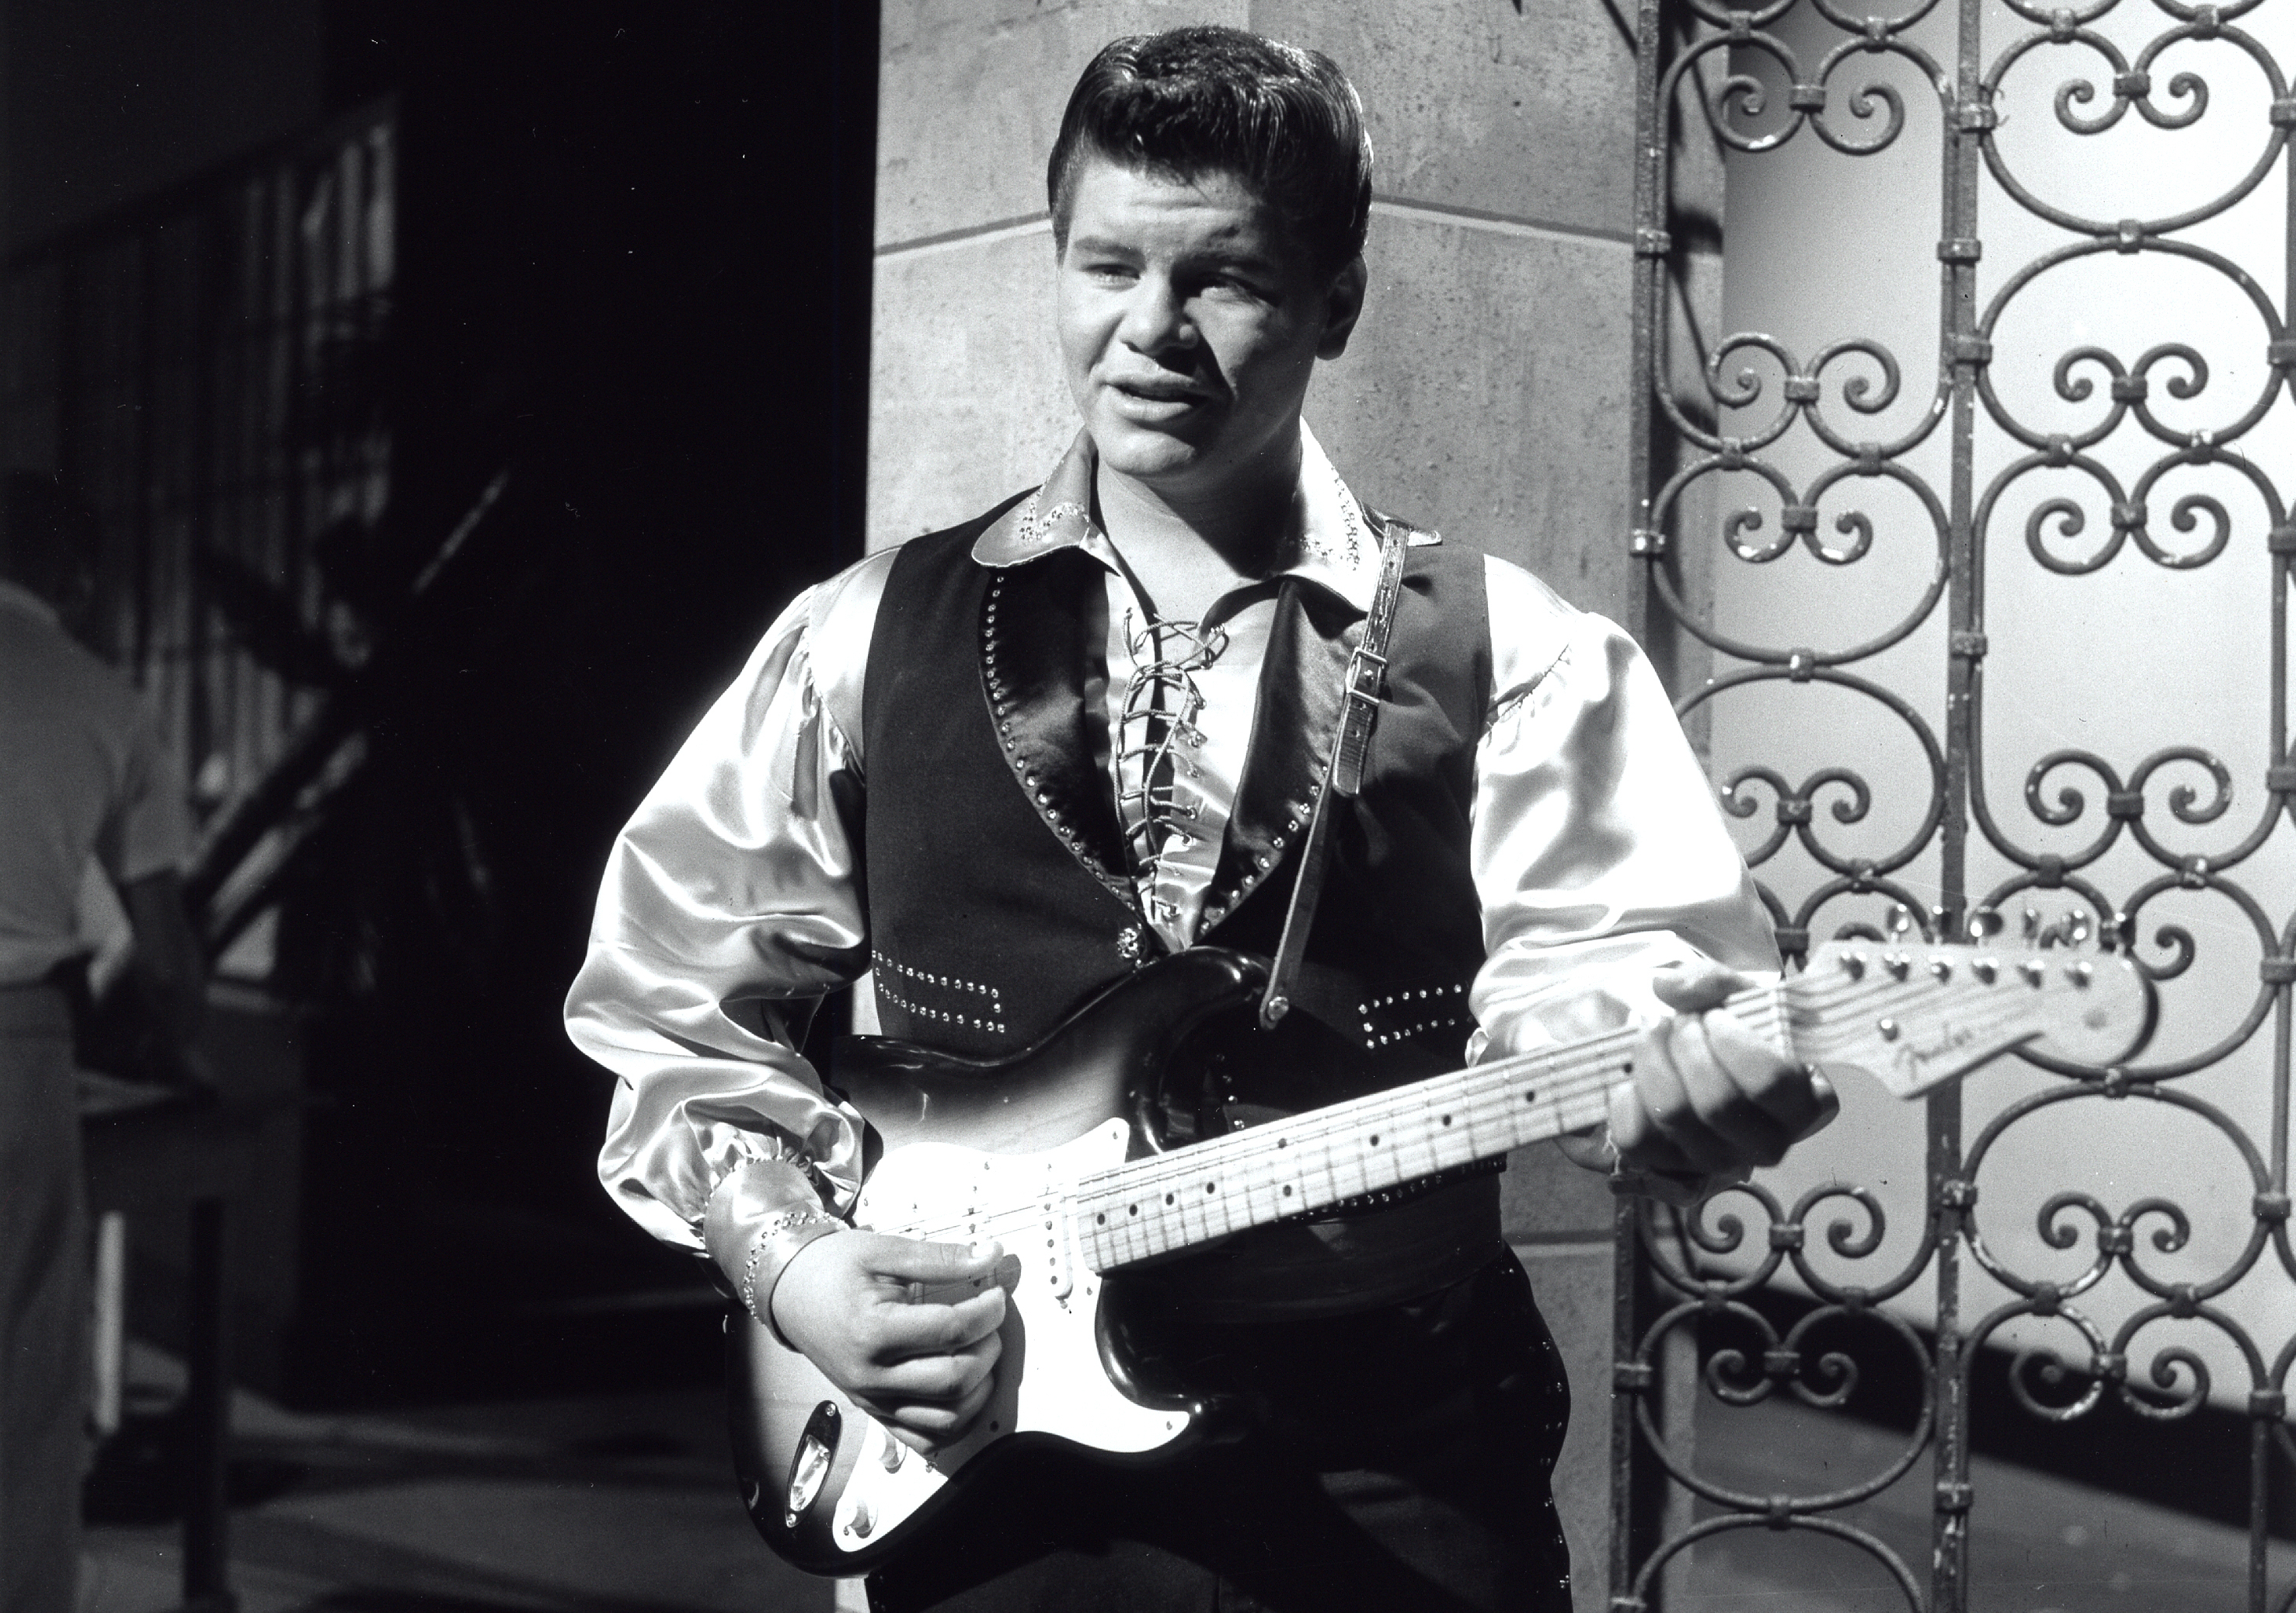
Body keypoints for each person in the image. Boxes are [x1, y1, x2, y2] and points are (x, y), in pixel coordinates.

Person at [566, 26, 1833, 1612]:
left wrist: (1661, 1072)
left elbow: (1616, 971)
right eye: (1105, 267)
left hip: (1390, 1464)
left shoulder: (1517, 654)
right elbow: (668, 1000)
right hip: (989, 1473)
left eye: (1221, 278)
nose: (1147, 331)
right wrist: (796, 1267)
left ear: (1336, 300)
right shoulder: (858, 632)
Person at [0, 472, 204, 1613]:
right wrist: (182, 1052)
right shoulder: (106, 700)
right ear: (78, 577)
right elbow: (166, 954)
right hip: (13, 1046)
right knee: (23, 1375)